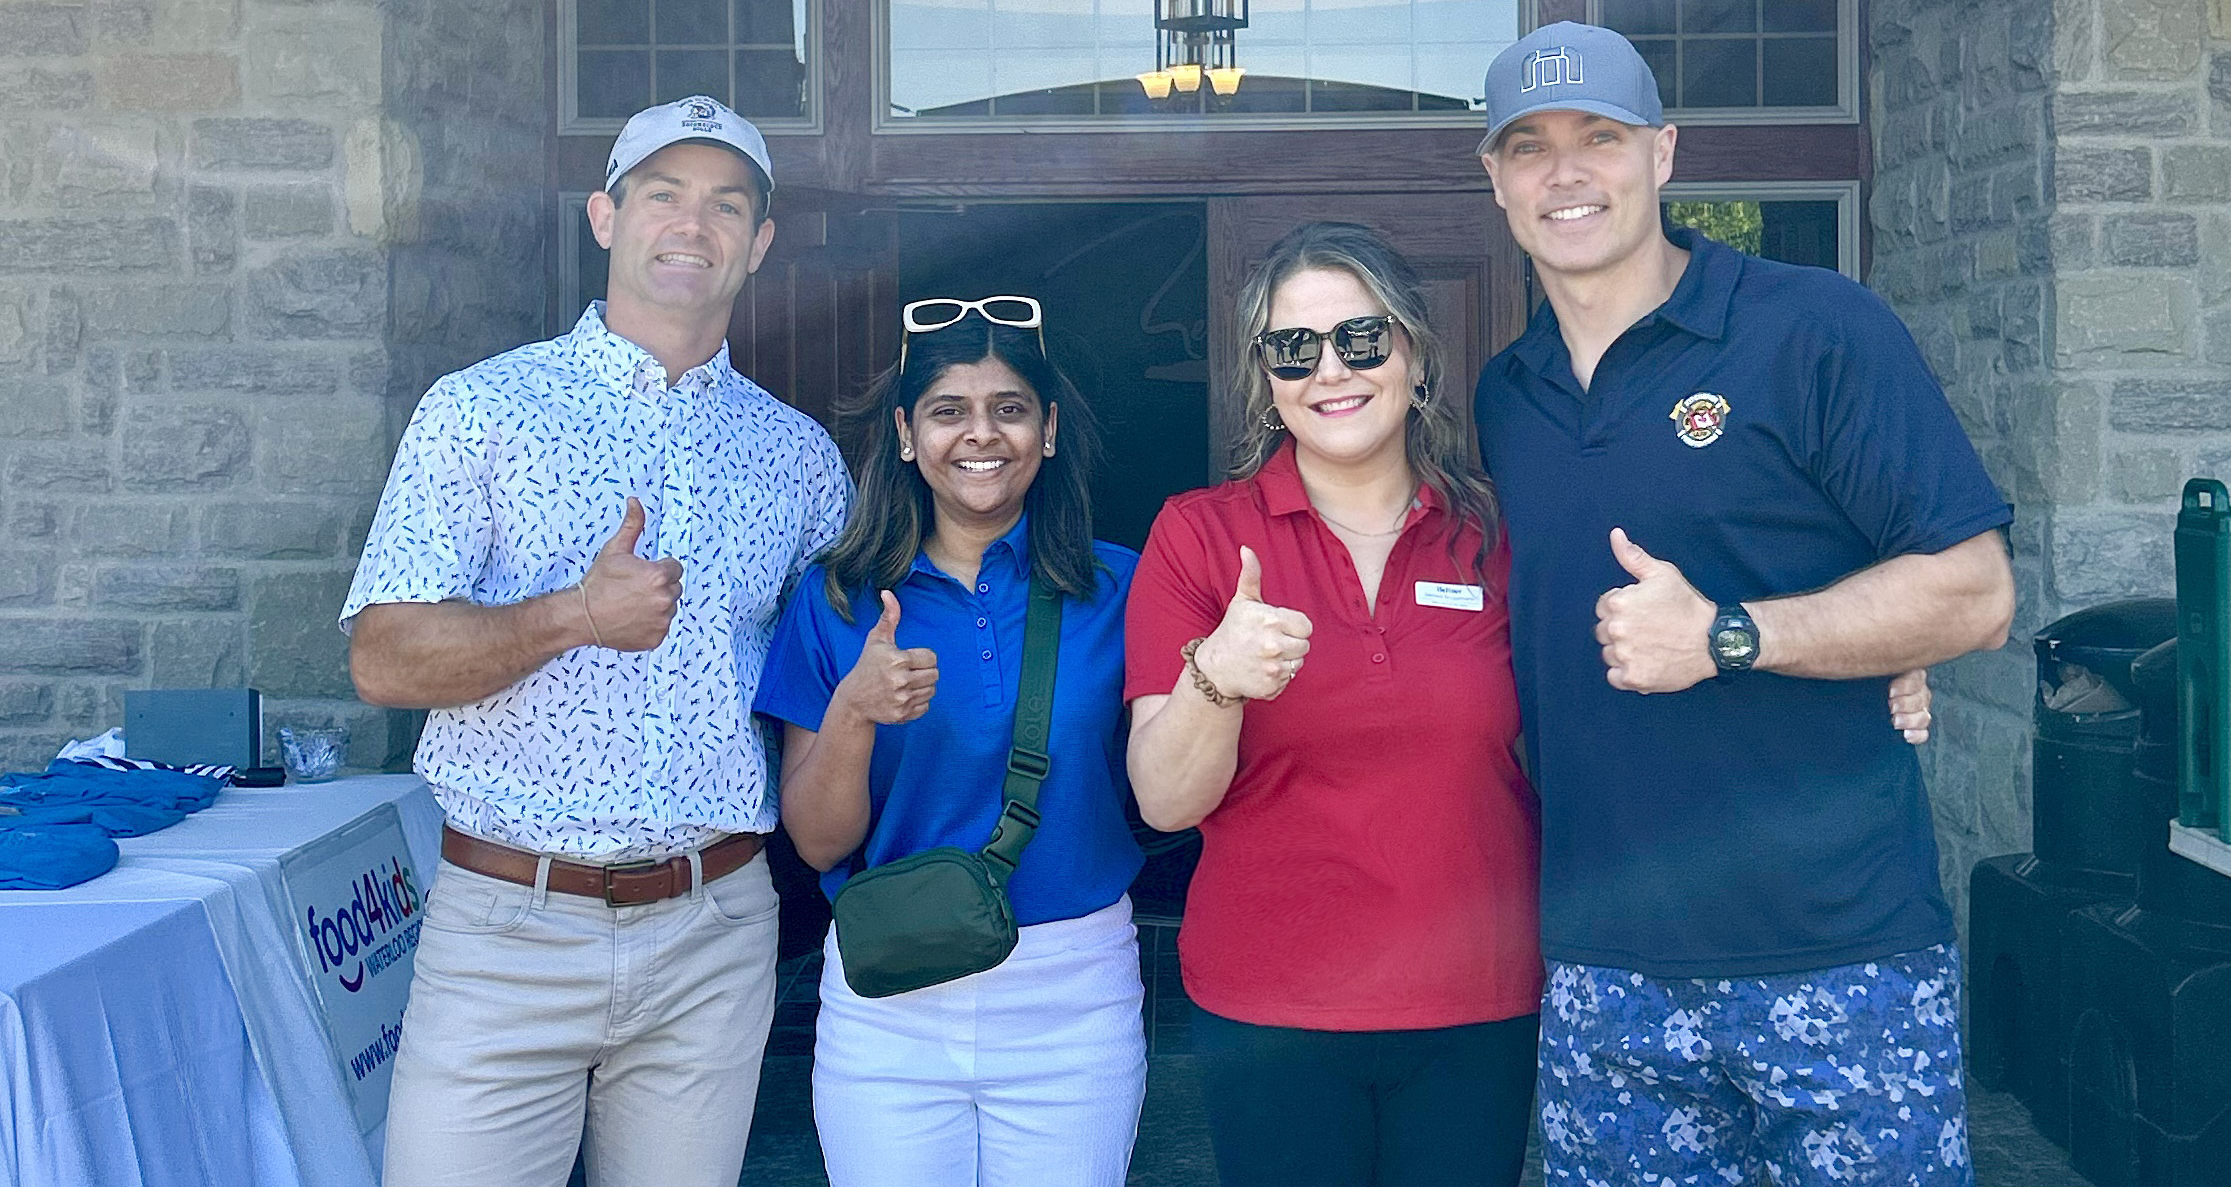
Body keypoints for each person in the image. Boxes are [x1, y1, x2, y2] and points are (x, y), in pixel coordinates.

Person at [1471, 22, 2017, 1187]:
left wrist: (1731, 635)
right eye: (1529, 147)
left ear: (1663, 153)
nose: (1565, 174)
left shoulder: (1814, 329)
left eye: (1600, 137)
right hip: (1607, 974)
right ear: (1496, 179)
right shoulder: (1508, 395)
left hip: (1837, 956)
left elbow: (1974, 591)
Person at [343, 95, 851, 1187]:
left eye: (726, 205)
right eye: (663, 194)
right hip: (506, 928)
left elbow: (826, 685)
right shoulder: (480, 409)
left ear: (759, 243)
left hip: (715, 928)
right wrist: (574, 614)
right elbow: (382, 659)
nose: (692, 224)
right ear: (605, 218)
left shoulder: (800, 457)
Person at [1125, 221, 1544, 1187]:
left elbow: (1591, 722)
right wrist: (1214, 676)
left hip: (1476, 995)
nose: (1330, 370)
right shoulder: (1199, 536)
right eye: (1293, 348)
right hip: (1271, 1004)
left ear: (1414, 356)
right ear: (1265, 377)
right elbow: (1165, 800)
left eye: (1361, 338)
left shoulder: (1495, 534)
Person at [759, 299, 1146, 1187]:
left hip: (1072, 990)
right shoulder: (837, 598)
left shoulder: (1118, 586)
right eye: (947, 411)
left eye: (1010, 408)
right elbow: (817, 843)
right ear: (905, 434)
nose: (981, 434)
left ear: (1048, 430)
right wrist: (854, 710)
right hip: (888, 997)